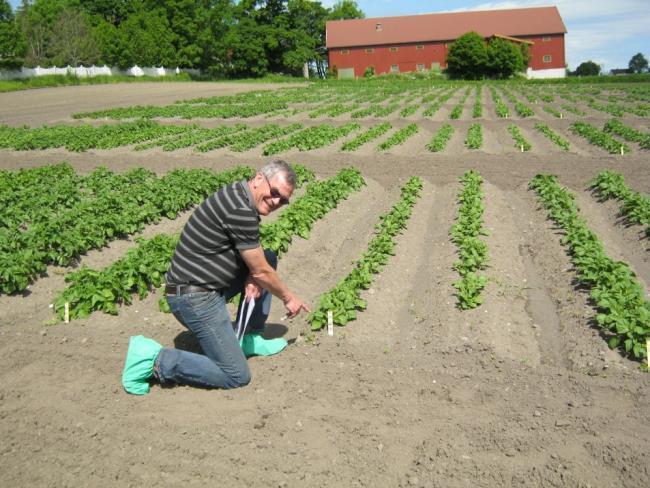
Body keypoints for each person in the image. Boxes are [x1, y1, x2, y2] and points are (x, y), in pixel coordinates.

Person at [122, 159, 310, 395]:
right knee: (235, 374)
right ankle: (153, 359)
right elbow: (261, 271)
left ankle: (249, 336)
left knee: (267, 258)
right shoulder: (240, 209)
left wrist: (254, 276)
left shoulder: (239, 195)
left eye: (283, 200)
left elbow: (259, 264)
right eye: (274, 193)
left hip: (200, 285)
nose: (276, 202)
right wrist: (288, 297)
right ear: (259, 178)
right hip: (193, 298)